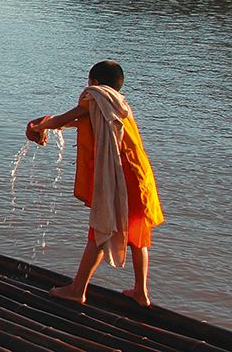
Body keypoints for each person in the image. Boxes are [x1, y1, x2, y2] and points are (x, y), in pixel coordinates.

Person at [27, 60, 164, 307]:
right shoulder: (120, 104)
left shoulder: (96, 96)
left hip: (119, 179)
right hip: (140, 176)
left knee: (101, 230)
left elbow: (73, 116)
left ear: (94, 83)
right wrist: (49, 122)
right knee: (137, 237)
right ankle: (141, 292)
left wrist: (42, 125)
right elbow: (80, 120)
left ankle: (78, 289)